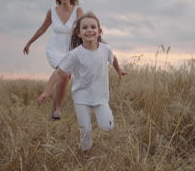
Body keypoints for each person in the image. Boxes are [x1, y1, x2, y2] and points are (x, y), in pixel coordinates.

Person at [37, 12, 127, 161]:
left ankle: (100, 137)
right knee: (86, 131)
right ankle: (88, 158)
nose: (89, 30)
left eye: (93, 27)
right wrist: (46, 91)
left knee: (108, 126)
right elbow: (59, 72)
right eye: (85, 27)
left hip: (100, 95)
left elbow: (113, 59)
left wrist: (119, 70)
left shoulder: (105, 49)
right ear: (79, 33)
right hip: (82, 96)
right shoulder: (75, 54)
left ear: (99, 31)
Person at [23, 0, 84, 120]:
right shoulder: (52, 11)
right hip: (55, 48)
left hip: (71, 48)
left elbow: (84, 28)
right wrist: (30, 42)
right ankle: (57, 108)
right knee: (64, 74)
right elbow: (42, 28)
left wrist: (96, 41)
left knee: (65, 76)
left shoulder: (78, 11)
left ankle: (53, 112)